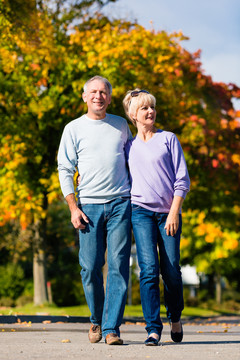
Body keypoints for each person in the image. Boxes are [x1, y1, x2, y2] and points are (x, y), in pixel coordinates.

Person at [57, 76, 132, 345]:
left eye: (103, 92)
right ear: (84, 96)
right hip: (87, 207)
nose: (98, 96)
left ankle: (111, 328)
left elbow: (133, 161)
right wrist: (73, 207)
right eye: (93, 92)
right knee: (89, 267)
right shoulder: (73, 128)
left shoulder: (121, 125)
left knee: (118, 266)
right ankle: (96, 321)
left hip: (121, 203)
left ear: (110, 98)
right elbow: (65, 168)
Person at [123, 89, 190, 346]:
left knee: (171, 271)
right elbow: (112, 169)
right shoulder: (128, 146)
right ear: (133, 115)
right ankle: (153, 328)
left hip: (168, 214)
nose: (150, 112)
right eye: (144, 108)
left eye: (152, 107)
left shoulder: (168, 139)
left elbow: (182, 179)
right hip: (140, 212)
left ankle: (175, 316)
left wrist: (174, 211)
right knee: (148, 270)